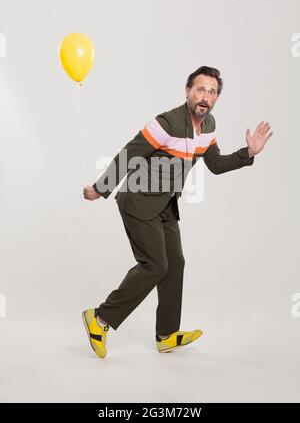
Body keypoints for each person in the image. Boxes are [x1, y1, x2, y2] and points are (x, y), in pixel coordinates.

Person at [82, 66, 273, 358]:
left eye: (212, 92)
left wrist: (247, 153)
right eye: (200, 89)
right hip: (138, 200)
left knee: (176, 263)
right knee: (155, 265)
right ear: (187, 91)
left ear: (217, 97)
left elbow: (215, 164)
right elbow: (129, 153)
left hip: (165, 204)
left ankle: (166, 334)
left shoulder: (208, 126)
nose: (205, 97)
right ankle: (100, 319)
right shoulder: (167, 122)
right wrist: (100, 188)